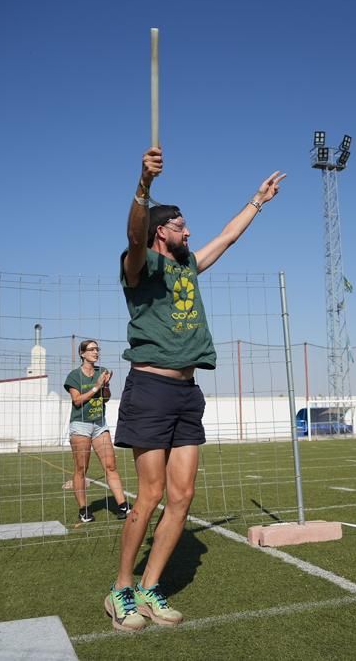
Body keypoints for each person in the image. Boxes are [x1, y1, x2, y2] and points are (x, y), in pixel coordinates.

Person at [103, 146, 285, 632]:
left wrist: (258, 200)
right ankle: (121, 588)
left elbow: (227, 237)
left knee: (182, 497)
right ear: (161, 231)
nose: (190, 233)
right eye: (182, 226)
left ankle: (149, 588)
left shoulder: (187, 267)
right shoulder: (139, 266)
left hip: (188, 393)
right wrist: (143, 185)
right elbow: (132, 235)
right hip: (150, 390)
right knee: (150, 495)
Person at [64, 339, 130, 523]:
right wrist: (97, 386)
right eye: (91, 349)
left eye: (97, 349)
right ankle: (84, 510)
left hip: (100, 424)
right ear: (82, 354)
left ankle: (123, 505)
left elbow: (106, 398)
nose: (96, 352)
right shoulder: (74, 376)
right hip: (81, 426)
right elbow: (77, 401)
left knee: (110, 466)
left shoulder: (102, 371)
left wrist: (106, 386)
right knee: (81, 469)